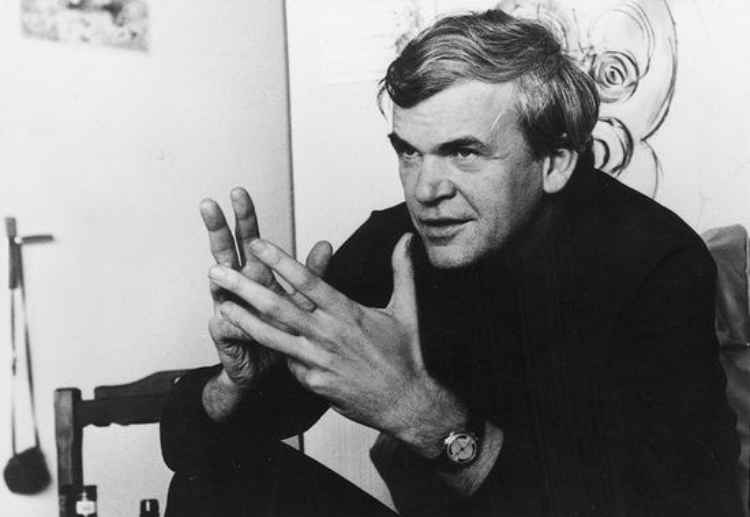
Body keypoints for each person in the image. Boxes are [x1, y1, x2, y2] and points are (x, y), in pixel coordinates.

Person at [160, 9, 743, 517]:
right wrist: (241, 383)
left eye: (463, 152)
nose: (425, 190)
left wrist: (420, 414)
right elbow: (191, 452)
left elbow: (692, 507)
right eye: (409, 153)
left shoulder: (656, 262)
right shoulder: (400, 240)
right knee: (216, 481)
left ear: (555, 162)